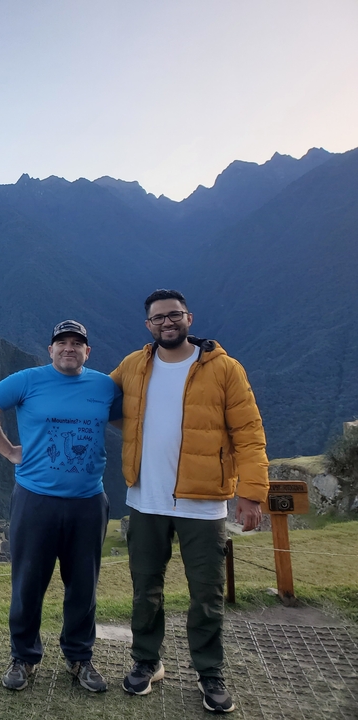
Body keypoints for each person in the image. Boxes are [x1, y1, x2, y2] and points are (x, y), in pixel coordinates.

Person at [110, 289, 268, 714]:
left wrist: (252, 494)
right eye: (158, 318)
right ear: (148, 325)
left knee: (207, 594)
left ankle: (210, 673)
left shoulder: (223, 369)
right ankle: (146, 662)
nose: (167, 323)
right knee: (146, 590)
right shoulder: (133, 366)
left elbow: (249, 432)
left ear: (189, 319)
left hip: (203, 504)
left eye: (174, 315)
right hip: (145, 499)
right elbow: (98, 402)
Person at [0, 320, 122, 693]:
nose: (69, 348)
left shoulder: (104, 386)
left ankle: (79, 657)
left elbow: (129, 425)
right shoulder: (28, 380)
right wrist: (9, 452)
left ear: (88, 351)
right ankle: (23, 656)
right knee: (28, 583)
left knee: (84, 585)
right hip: (35, 499)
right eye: (62, 342)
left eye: (77, 343)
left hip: (88, 501)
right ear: (50, 349)